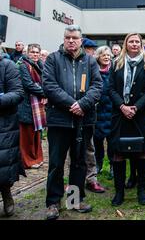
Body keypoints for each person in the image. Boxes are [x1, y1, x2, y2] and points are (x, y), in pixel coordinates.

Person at [43, 24, 102, 220]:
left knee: (79, 163)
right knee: (56, 163)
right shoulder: (53, 59)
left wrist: (83, 105)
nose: (71, 41)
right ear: (64, 38)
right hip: (59, 120)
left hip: (83, 121)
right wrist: (72, 104)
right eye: (67, 37)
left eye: (74, 37)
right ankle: (53, 202)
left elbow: (97, 86)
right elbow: (49, 86)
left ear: (81, 40)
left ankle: (74, 200)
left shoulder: (90, 61)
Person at [109, 33, 145, 206]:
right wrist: (122, 106)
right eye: (131, 41)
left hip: (141, 113)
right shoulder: (116, 63)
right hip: (120, 114)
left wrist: (136, 107)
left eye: (137, 41)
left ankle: (141, 189)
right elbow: (111, 89)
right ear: (126, 44)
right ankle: (119, 192)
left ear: (141, 45)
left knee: (142, 152)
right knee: (118, 153)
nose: (135, 44)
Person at [0, 54, 25, 217]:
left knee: (2, 163)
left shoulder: (7, 66)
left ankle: (6, 193)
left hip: (4, 124)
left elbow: (18, 93)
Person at [81, 37, 105, 193]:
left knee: (89, 148)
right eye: (91, 49)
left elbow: (97, 87)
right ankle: (73, 186)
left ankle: (91, 179)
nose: (93, 52)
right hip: (68, 114)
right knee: (74, 152)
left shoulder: (92, 65)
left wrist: (83, 104)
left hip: (87, 113)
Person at [17, 44, 45, 169]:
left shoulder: (39, 65)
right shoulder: (24, 66)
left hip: (37, 105)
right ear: (28, 53)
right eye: (32, 52)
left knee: (36, 134)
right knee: (27, 135)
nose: (35, 54)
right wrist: (46, 93)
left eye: (37, 52)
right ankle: (28, 160)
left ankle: (36, 158)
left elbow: (46, 81)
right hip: (26, 104)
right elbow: (28, 85)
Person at [93, 46, 114, 179]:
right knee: (97, 141)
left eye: (108, 55)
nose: (106, 57)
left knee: (112, 142)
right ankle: (98, 163)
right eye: (103, 55)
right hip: (97, 112)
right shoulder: (94, 71)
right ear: (98, 57)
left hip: (112, 110)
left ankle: (113, 165)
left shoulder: (114, 70)